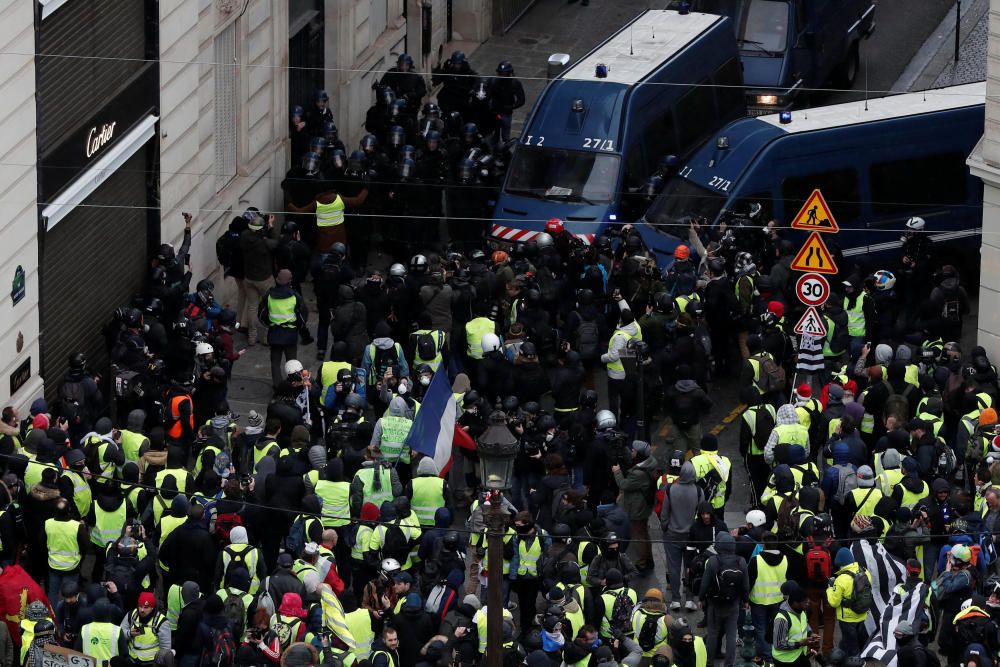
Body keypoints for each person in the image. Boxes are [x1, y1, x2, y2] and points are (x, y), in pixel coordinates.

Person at [699, 533, 748, 667]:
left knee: (713, 634)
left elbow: (705, 583)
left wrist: (701, 598)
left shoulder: (713, 561)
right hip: (733, 605)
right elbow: (745, 585)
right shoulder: (741, 561)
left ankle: (709, 662)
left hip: (715, 605)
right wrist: (745, 600)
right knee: (731, 636)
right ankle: (729, 664)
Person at [659, 462, 703, 612]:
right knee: (690, 567)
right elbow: (703, 513)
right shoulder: (698, 491)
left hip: (672, 535)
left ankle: (676, 599)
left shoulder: (671, 489)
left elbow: (664, 513)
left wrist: (665, 527)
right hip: (691, 536)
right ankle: (690, 598)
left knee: (673, 567)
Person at [259, 269, 311, 388]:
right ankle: (293, 385)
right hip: (290, 335)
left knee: (275, 363)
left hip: (274, 333)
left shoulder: (269, 296)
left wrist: (271, 324)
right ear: (290, 281)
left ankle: (278, 387)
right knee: (292, 363)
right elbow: (303, 316)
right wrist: (298, 326)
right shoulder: (295, 296)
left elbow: (262, 315)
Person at [612, 440, 658, 573]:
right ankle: (648, 559)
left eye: (633, 451)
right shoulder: (650, 463)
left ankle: (642, 563)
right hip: (644, 505)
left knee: (638, 536)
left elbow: (624, 484)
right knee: (644, 533)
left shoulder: (638, 473)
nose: (631, 452)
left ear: (639, 454)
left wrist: (617, 471)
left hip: (637, 508)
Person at [240, 212, 279, 346]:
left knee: (252, 307)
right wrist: (271, 227)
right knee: (269, 308)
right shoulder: (263, 244)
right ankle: (266, 337)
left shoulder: (244, 237)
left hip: (249, 278)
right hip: (264, 279)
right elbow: (276, 243)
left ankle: (252, 337)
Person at [826, 547, 871, 656]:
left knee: (852, 645)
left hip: (847, 618)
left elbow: (834, 602)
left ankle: (856, 660)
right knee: (852, 639)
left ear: (839, 562)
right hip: (862, 613)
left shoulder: (841, 579)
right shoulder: (865, 571)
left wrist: (829, 589)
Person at [121, 592, 171, 666]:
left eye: (146, 607)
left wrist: (157, 664)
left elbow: (165, 648)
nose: (142, 610)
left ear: (152, 607)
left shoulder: (162, 622)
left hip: (151, 662)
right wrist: (129, 633)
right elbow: (119, 634)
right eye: (140, 606)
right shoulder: (131, 615)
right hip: (131, 660)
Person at [488, 61, 525, 143]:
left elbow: (521, 100)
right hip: (494, 110)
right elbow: (488, 94)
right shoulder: (494, 81)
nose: (502, 76)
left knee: (505, 136)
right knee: (493, 134)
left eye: (504, 74)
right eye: (500, 74)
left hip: (506, 112)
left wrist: (511, 107)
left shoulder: (515, 83)